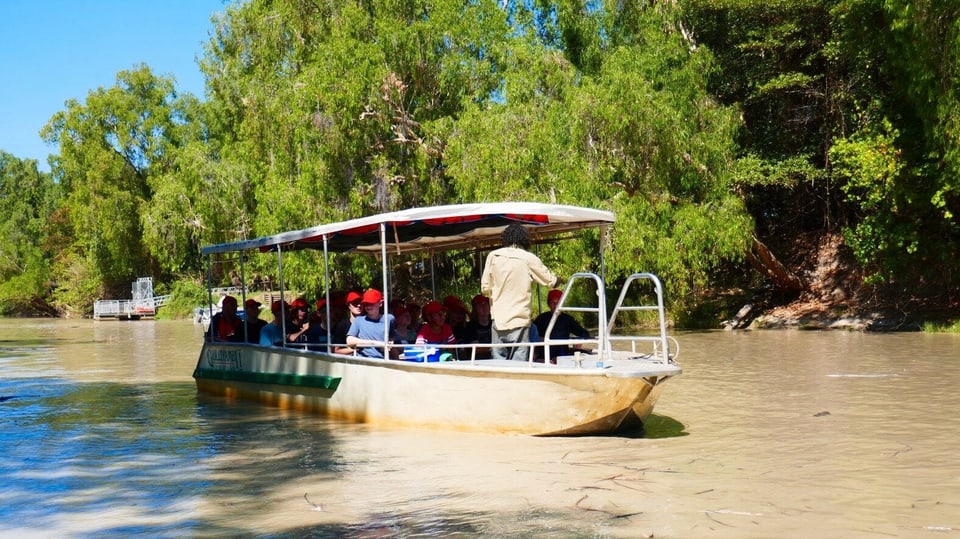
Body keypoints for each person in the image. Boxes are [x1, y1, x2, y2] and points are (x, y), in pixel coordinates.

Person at [480, 223, 561, 361]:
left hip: (498, 321)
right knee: (518, 364)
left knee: (499, 365)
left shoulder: (493, 256)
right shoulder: (528, 258)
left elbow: (485, 289)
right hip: (519, 321)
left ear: (505, 239)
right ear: (524, 239)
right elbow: (551, 282)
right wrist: (560, 279)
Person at [533, 289, 591, 361]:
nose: (556, 306)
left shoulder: (567, 319)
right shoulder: (541, 318)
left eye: (558, 303)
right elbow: (530, 334)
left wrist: (579, 340)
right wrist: (539, 339)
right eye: (553, 303)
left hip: (562, 357)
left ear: (562, 304)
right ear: (548, 304)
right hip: (545, 357)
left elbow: (584, 333)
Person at [346, 288, 395, 359]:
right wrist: (376, 343)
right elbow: (349, 340)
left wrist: (390, 345)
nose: (368, 306)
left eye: (372, 303)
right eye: (366, 304)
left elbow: (391, 337)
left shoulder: (389, 319)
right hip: (364, 360)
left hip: (384, 360)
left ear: (380, 303)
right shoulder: (358, 321)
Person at [461, 294, 493, 359]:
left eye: (485, 304)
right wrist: (495, 347)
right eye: (480, 305)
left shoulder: (494, 324)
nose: (484, 307)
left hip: (495, 358)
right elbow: (476, 348)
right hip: (477, 361)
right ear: (475, 309)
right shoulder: (470, 327)